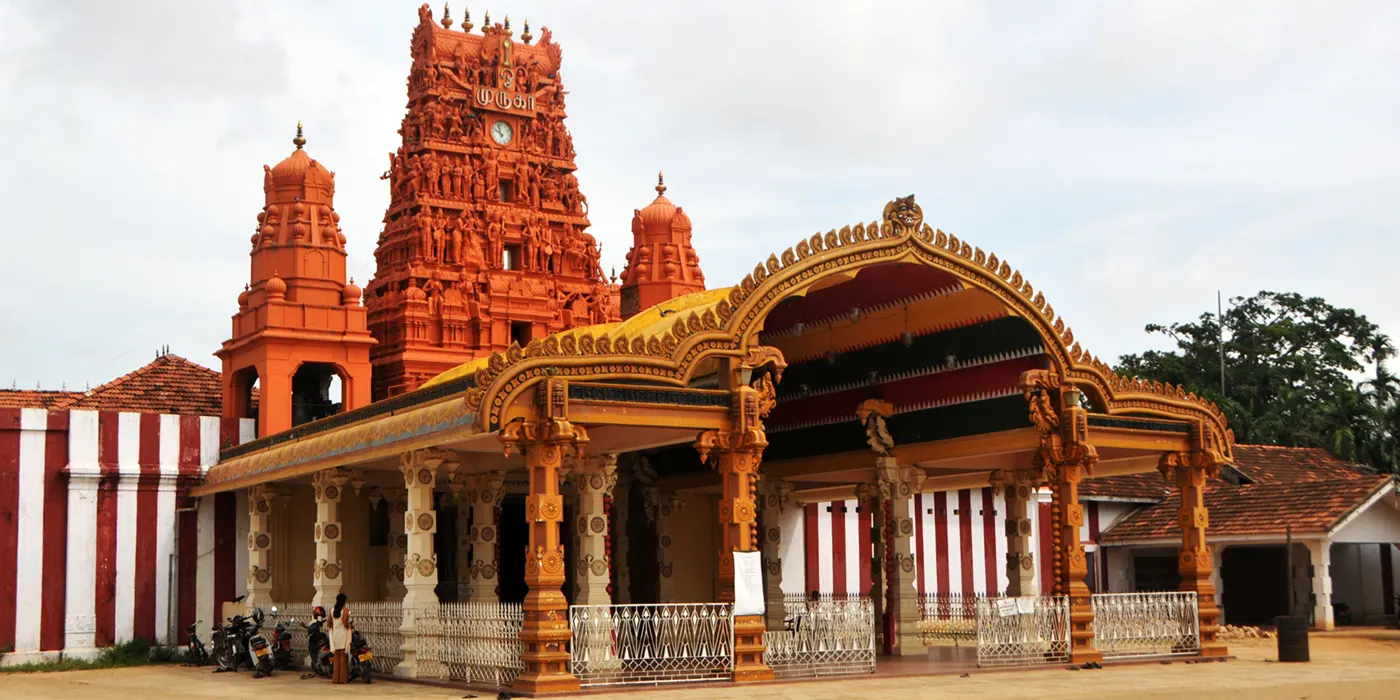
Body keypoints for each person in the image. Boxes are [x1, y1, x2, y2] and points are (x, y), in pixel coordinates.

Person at [328, 593, 351, 684]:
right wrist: (350, 626)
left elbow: (329, 623)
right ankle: (343, 679)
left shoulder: (332, 610)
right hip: (344, 635)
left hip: (335, 635)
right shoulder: (345, 610)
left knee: (336, 659)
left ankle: (335, 679)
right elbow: (345, 622)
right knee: (343, 659)